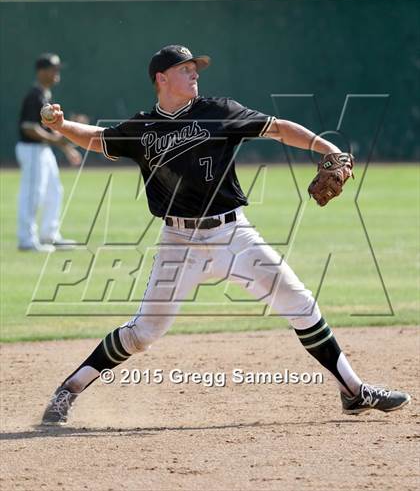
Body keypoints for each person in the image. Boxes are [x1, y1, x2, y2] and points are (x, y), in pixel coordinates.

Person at [40, 44, 410, 425]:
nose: (195, 74)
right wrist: (62, 127)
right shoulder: (143, 128)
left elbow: (279, 129)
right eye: (185, 69)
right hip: (178, 242)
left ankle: (353, 390)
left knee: (300, 304)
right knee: (144, 333)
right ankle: (70, 389)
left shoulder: (220, 112)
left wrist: (327, 147)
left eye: (195, 68)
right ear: (161, 78)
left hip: (233, 235)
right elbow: (100, 139)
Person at [16, 53, 82, 252]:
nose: (56, 72)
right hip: (32, 149)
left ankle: (49, 235)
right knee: (32, 194)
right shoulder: (34, 95)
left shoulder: (44, 94)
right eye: (53, 69)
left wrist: (67, 148)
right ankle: (26, 240)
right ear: (41, 71)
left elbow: (49, 130)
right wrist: (56, 140)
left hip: (42, 150)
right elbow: (28, 128)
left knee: (54, 191)